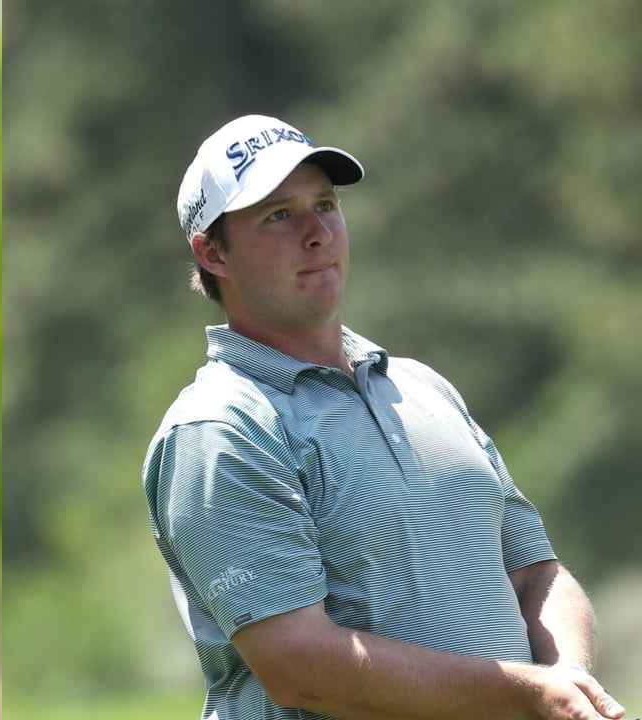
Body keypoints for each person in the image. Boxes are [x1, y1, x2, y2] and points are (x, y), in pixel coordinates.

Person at [142, 114, 625, 720]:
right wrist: (524, 693)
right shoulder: (220, 431)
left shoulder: (422, 386)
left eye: (326, 203)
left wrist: (567, 680)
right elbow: (300, 669)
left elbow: (536, 573)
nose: (318, 233)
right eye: (279, 215)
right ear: (212, 252)